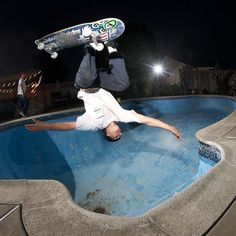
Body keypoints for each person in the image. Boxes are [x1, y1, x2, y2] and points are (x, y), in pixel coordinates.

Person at [25, 40, 181, 141]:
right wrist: (169, 127)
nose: (119, 134)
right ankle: (112, 47)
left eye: (115, 137)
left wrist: (45, 126)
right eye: (119, 135)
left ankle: (90, 47)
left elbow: (68, 126)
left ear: (107, 134)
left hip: (85, 83)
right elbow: (147, 121)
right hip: (101, 82)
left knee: (86, 79)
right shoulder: (124, 117)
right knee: (122, 84)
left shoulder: (93, 124)